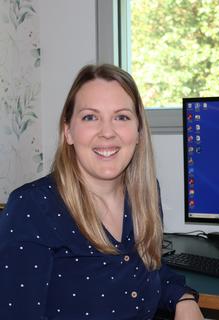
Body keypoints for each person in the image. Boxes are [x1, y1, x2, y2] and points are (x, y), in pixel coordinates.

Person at [0, 64, 204, 320]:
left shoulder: (144, 193)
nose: (107, 132)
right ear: (68, 131)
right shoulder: (32, 207)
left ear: (138, 131)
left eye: (121, 117)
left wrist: (183, 299)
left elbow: (147, 271)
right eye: (90, 117)